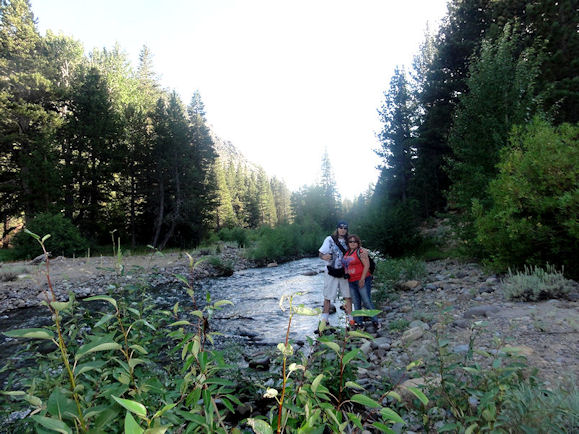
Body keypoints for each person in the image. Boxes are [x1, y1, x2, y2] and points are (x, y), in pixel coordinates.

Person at [318, 220, 353, 328]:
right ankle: (324, 320)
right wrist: (324, 257)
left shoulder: (350, 240)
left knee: (348, 296)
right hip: (331, 271)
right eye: (341, 227)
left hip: (344, 272)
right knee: (327, 296)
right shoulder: (329, 239)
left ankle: (351, 320)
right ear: (337, 228)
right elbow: (320, 253)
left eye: (345, 228)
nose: (343, 230)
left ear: (347, 230)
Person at [342, 234, 379, 328]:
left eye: (355, 241)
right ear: (348, 243)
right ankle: (359, 323)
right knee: (356, 302)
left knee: (366, 301)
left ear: (358, 243)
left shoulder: (361, 251)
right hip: (351, 281)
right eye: (350, 241)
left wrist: (362, 279)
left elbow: (367, 265)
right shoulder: (347, 253)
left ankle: (375, 321)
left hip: (362, 279)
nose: (352, 243)